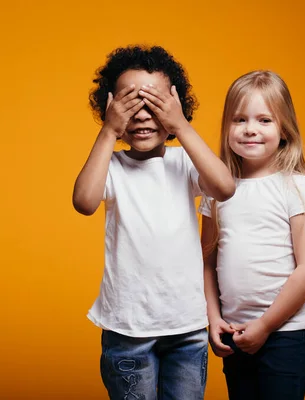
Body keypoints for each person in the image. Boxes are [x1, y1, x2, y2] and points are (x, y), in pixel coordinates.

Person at [72, 45, 235, 399]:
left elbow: (224, 187)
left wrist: (182, 126)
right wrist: (108, 131)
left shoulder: (184, 163)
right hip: (128, 328)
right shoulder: (112, 167)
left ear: (176, 108)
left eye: (154, 104)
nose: (143, 115)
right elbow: (84, 202)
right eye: (130, 105)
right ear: (110, 109)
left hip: (187, 327)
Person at [200, 70, 305, 400]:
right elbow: (206, 263)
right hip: (234, 333)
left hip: (284, 334)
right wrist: (213, 319)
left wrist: (266, 326)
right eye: (239, 119)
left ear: (284, 129)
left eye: (264, 120)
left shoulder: (297, 187)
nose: (250, 129)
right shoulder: (216, 190)